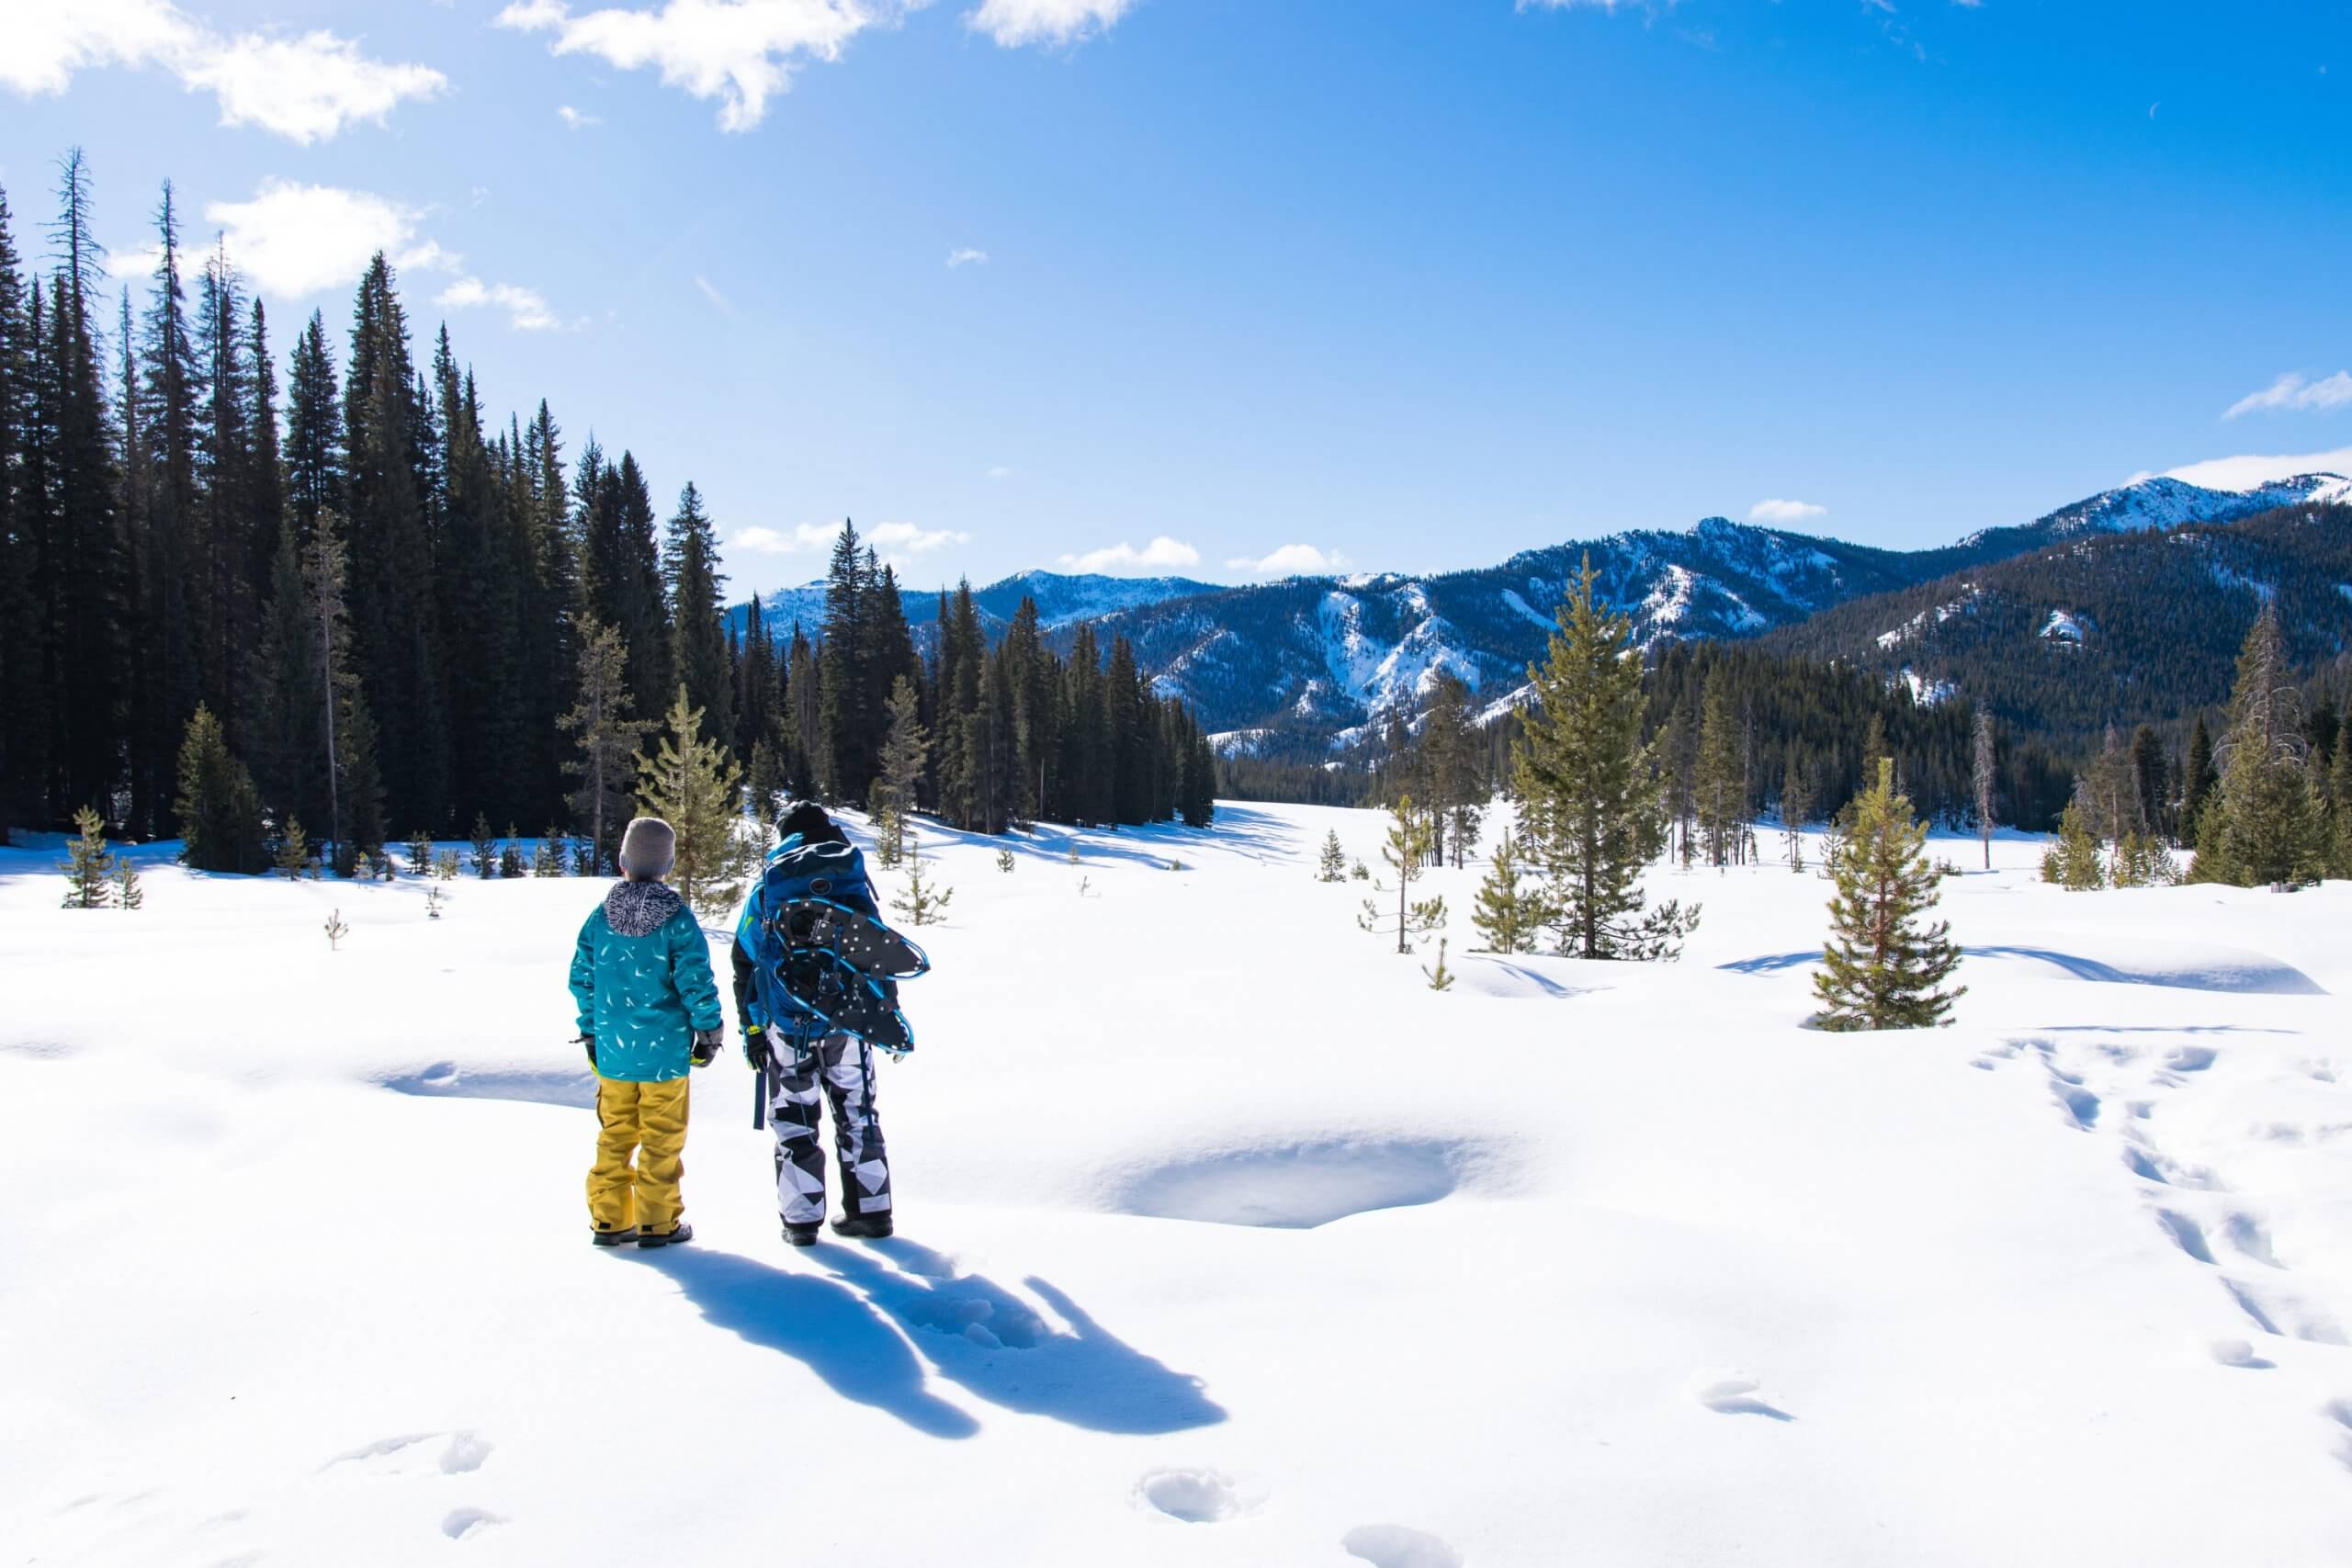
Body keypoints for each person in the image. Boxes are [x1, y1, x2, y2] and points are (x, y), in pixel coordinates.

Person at [732, 802, 897, 1247]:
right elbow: (879, 949)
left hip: (787, 1023)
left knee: (794, 1118)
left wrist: (751, 1029)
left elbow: (744, 959)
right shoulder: (849, 877)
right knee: (858, 1113)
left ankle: (802, 1223)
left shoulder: (771, 882)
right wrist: (885, 1012)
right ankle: (872, 1212)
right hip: (848, 1019)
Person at [571, 816, 724, 1248]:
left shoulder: (600, 919)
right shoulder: (677, 919)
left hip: (614, 1053)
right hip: (665, 1053)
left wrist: (591, 1031)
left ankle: (610, 1219)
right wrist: (709, 1029)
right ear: (667, 866)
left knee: (615, 1133)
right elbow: (696, 980)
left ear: (623, 861)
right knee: (661, 1138)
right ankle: (659, 1222)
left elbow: (582, 979)